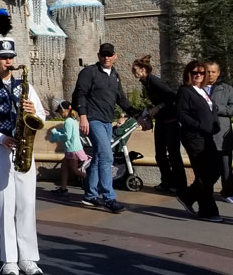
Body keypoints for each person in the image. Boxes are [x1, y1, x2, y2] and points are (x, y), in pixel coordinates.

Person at [0, 18, 46, 275]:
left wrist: (32, 111)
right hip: (1, 149)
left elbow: (41, 115)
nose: (8, 61)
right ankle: (9, 260)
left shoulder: (24, 86)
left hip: (24, 148)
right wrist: (0, 138)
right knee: (5, 204)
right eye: (3, 57)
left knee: (27, 203)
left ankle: (28, 257)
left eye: (10, 57)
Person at [72, 42, 141, 213]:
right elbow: (80, 93)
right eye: (103, 54)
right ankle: (109, 197)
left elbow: (121, 99)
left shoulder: (114, 75)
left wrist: (136, 113)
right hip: (93, 119)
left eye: (110, 55)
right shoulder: (89, 72)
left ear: (115, 56)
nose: (106, 57)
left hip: (106, 120)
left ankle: (90, 194)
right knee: (106, 155)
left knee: (97, 156)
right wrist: (83, 117)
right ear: (99, 55)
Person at [175, 61, 224, 221]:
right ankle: (207, 210)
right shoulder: (185, 91)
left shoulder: (202, 91)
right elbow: (181, 114)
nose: (198, 75)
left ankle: (188, 196)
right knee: (204, 173)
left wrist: (214, 124)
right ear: (188, 74)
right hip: (194, 137)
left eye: (201, 73)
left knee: (215, 169)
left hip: (207, 136)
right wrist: (199, 125)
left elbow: (212, 110)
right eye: (195, 72)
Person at [131, 56, 186, 195]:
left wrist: (159, 107)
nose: (133, 72)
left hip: (171, 122)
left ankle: (179, 184)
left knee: (173, 154)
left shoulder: (154, 81)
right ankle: (167, 182)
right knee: (160, 154)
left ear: (143, 70)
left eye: (134, 69)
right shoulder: (146, 83)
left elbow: (172, 97)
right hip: (161, 121)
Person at [204, 61, 233, 203]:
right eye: (208, 71)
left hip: (222, 134)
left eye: (213, 72)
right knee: (206, 167)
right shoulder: (198, 88)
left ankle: (227, 192)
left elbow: (231, 109)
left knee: (225, 166)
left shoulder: (227, 89)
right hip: (204, 135)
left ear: (218, 73)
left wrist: (216, 108)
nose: (210, 74)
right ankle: (204, 192)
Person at [47, 101, 87, 195]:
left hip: (72, 150)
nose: (60, 114)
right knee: (64, 167)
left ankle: (93, 183)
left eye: (60, 112)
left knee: (75, 171)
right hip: (71, 149)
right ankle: (63, 188)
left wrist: (56, 134)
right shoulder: (72, 120)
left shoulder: (68, 121)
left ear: (63, 110)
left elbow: (67, 136)